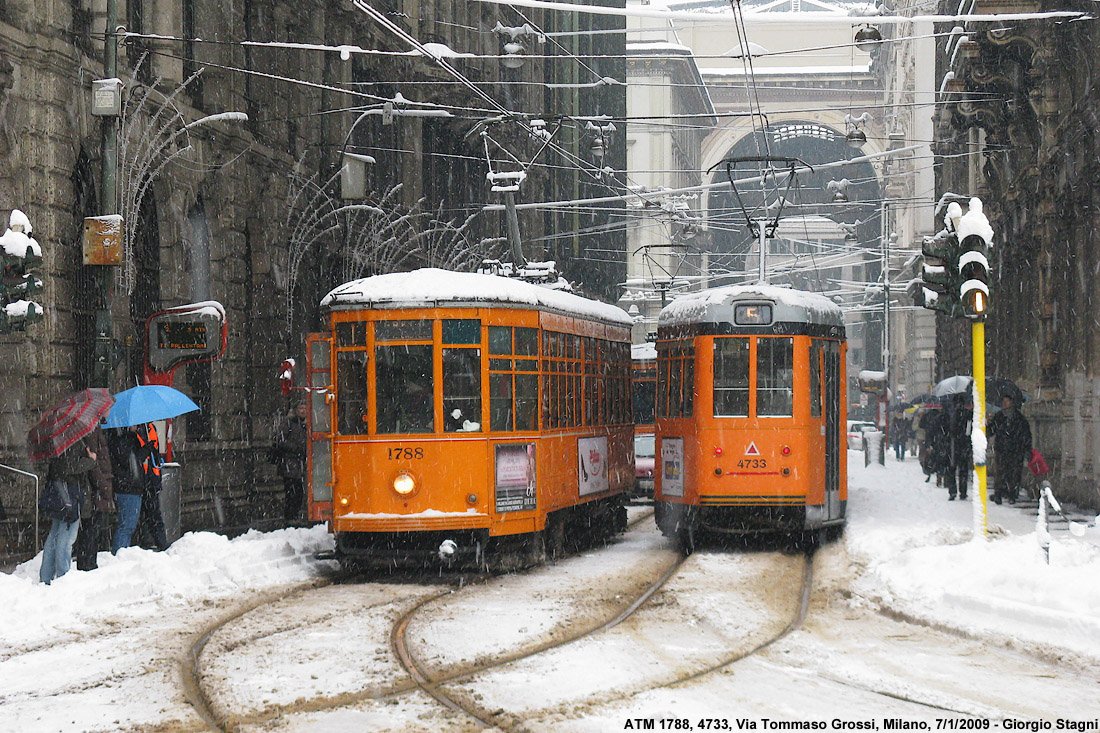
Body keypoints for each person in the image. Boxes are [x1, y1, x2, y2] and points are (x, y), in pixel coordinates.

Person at [40, 439, 96, 584]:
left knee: (54, 535)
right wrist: (90, 460)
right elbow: (70, 466)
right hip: (70, 494)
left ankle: (45, 577)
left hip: (59, 493)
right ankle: (62, 578)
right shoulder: (72, 441)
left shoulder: (57, 440)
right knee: (66, 539)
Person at [73, 426, 114, 571]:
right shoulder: (91, 429)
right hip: (94, 490)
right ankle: (87, 565)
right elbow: (93, 463)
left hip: (96, 488)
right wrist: (104, 487)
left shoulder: (94, 427)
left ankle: (87, 563)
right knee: (91, 530)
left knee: (91, 530)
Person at [108, 425, 153, 554]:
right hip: (128, 487)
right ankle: (119, 555)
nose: (137, 426)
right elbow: (128, 461)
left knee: (128, 526)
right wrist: (144, 451)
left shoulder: (125, 438)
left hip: (129, 486)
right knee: (126, 526)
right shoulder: (123, 440)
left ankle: (121, 553)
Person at [987, 394, 1032, 504]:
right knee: (1000, 472)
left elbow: (1026, 434)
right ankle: (999, 493)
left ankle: (1011, 494)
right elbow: (991, 431)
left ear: (1012, 403)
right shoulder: (999, 416)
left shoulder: (1019, 418)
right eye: (1003, 401)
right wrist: (988, 425)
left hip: (1016, 450)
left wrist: (1027, 449)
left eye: (1006, 401)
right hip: (1002, 449)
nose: (1004, 403)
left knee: (1014, 473)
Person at [134, 423, 168, 550]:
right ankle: (148, 541)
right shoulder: (132, 432)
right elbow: (134, 458)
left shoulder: (150, 428)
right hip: (140, 480)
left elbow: (155, 452)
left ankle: (159, 541)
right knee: (143, 515)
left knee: (153, 514)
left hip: (151, 479)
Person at [273, 401, 308, 521]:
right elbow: (280, 440)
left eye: (305, 408)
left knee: (298, 493)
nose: (303, 410)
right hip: (290, 463)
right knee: (292, 492)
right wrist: (295, 448)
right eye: (301, 408)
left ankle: (293, 516)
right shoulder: (289, 423)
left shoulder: (307, 424)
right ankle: (290, 517)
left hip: (299, 464)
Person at [943, 394, 973, 501]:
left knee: (951, 469)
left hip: (952, 444)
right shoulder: (968, 414)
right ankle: (963, 491)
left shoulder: (949, 414)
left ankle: (952, 491)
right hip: (963, 444)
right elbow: (969, 431)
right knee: (963, 469)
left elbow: (945, 429)